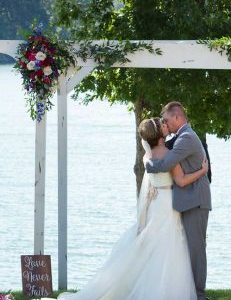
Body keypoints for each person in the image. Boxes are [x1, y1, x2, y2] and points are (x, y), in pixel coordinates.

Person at [56, 117, 208, 300]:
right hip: (168, 204)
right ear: (160, 135)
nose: (166, 125)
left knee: (153, 246)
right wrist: (202, 171)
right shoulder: (170, 154)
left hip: (154, 204)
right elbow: (181, 180)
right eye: (163, 125)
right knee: (170, 246)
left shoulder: (147, 156)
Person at [146, 101, 212, 300]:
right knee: (189, 249)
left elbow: (166, 163)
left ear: (178, 117)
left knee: (196, 249)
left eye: (167, 120)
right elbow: (162, 149)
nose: (165, 123)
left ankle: (199, 295)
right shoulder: (181, 138)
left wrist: (148, 163)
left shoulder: (186, 138)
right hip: (188, 200)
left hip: (195, 200)